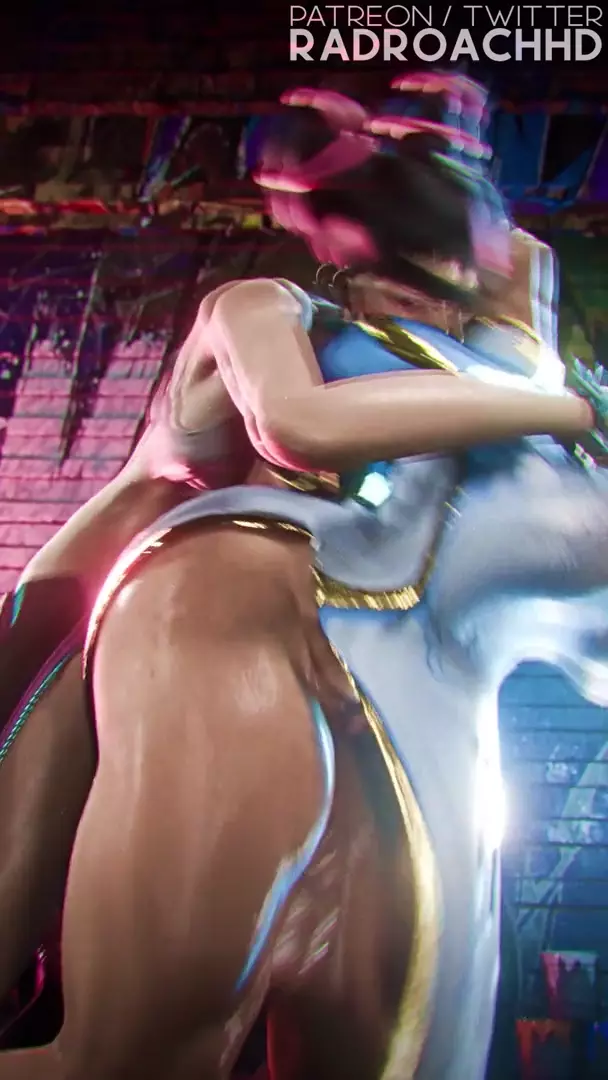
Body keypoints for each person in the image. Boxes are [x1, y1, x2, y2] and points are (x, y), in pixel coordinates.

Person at [0, 72, 605, 1014]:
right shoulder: (262, 313)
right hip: (105, 600)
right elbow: (299, 429)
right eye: (416, 271)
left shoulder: (409, 374)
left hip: (278, 622)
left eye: (454, 288)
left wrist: (524, 315)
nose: (433, 308)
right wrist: (564, 404)